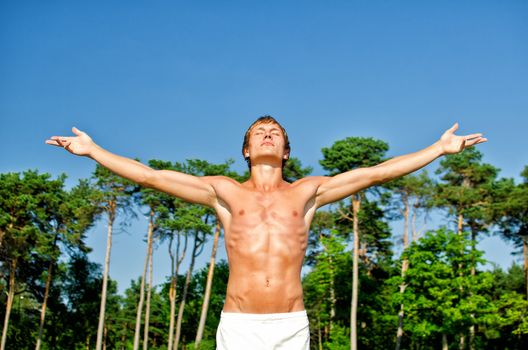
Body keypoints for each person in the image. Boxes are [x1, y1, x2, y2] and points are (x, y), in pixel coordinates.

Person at [46, 116, 487, 349]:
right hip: (239, 326)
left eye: (275, 133)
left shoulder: (308, 193)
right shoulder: (223, 192)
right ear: (246, 149)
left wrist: (439, 148)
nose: (268, 135)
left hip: (291, 325)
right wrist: (93, 151)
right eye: (260, 132)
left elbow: (374, 173)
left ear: (287, 150)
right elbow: (151, 177)